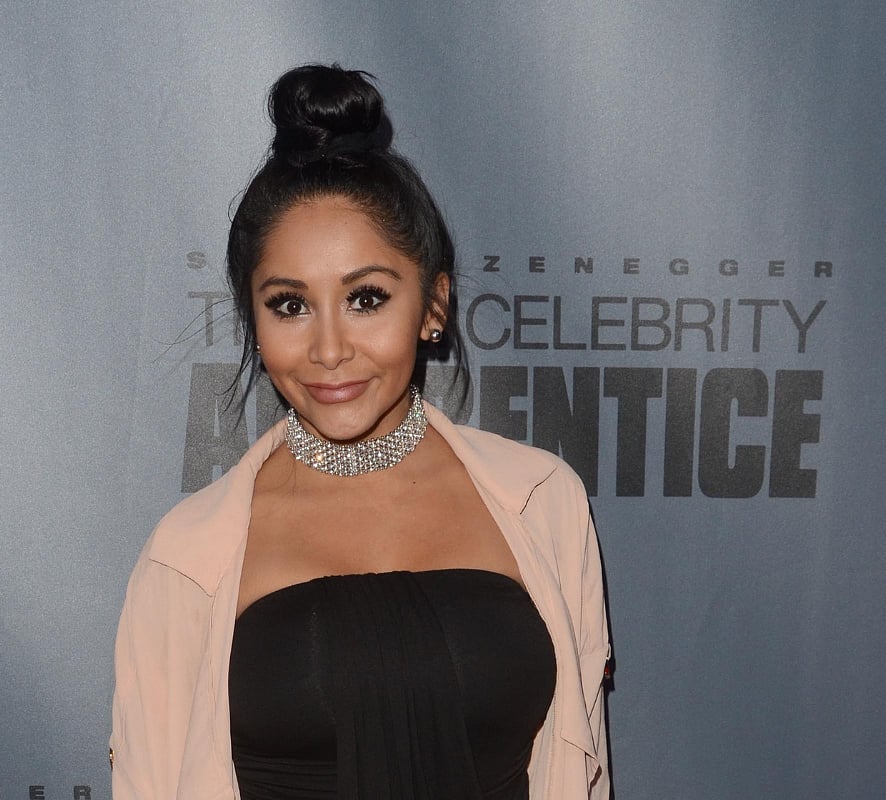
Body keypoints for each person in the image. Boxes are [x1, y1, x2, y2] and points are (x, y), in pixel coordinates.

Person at [110, 64, 612, 800]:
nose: (329, 349)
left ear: (433, 305)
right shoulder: (187, 557)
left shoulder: (542, 502)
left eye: (366, 298)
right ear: (253, 319)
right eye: (290, 305)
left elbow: (580, 771)